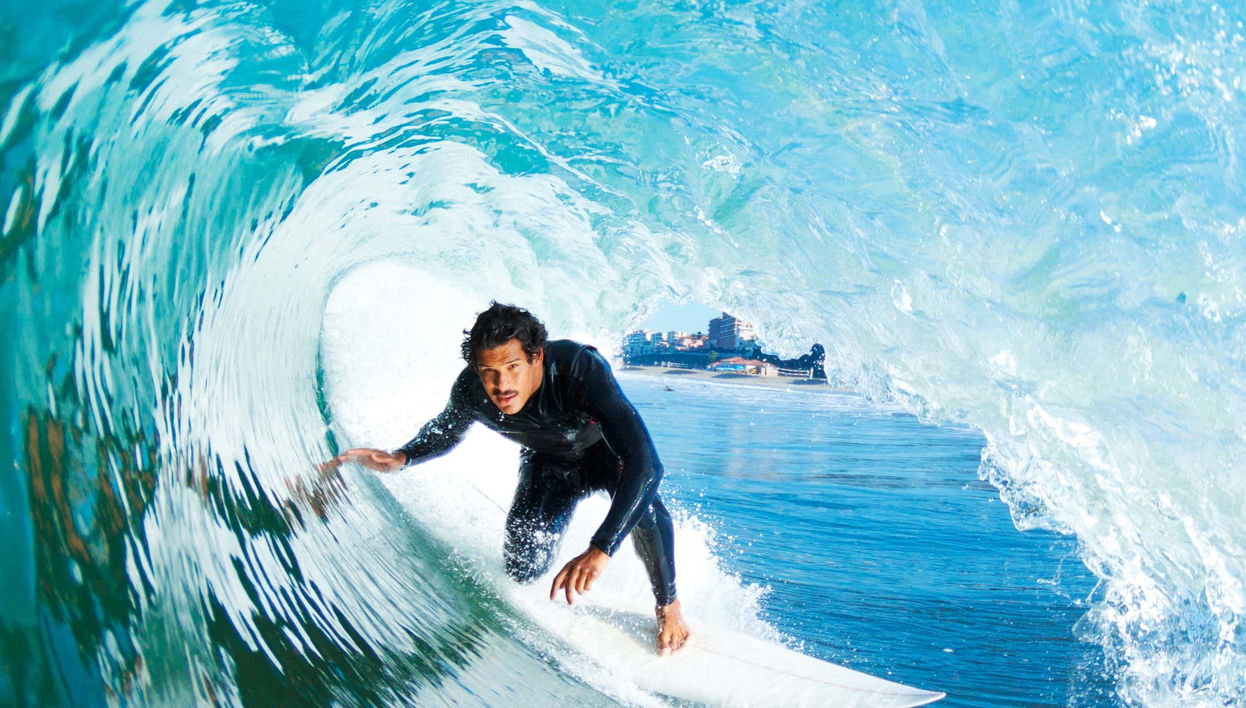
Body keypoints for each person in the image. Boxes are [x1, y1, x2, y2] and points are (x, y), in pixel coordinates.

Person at [333, 302, 691, 655]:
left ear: (536, 357)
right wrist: (402, 456)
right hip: (547, 465)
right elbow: (446, 431)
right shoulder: (471, 389)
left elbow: (646, 465)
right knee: (521, 566)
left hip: (605, 457)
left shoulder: (579, 368)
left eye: (512, 366)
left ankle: (669, 605)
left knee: (644, 509)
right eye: (488, 370)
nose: (501, 384)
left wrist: (601, 547)